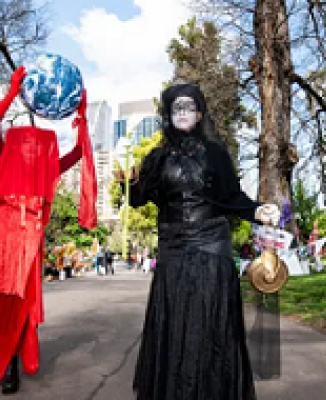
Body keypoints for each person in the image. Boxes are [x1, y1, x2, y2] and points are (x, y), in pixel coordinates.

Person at [116, 83, 279, 400]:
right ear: (168, 115)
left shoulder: (215, 154)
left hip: (211, 247)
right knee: (176, 325)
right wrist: (131, 184)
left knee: (211, 325)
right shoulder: (157, 158)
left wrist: (257, 210)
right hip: (174, 252)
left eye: (188, 107)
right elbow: (140, 199)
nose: (182, 113)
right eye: (176, 108)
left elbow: (231, 196)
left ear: (200, 113)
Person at [0, 66, 97, 394]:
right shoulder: (3, 155)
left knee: (21, 302)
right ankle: (8, 364)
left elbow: (78, 154)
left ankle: (10, 366)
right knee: (5, 299)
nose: (31, 150)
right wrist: (12, 92)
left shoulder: (47, 164)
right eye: (24, 146)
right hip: (4, 232)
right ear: (14, 146)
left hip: (30, 237)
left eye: (37, 148)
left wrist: (82, 122)